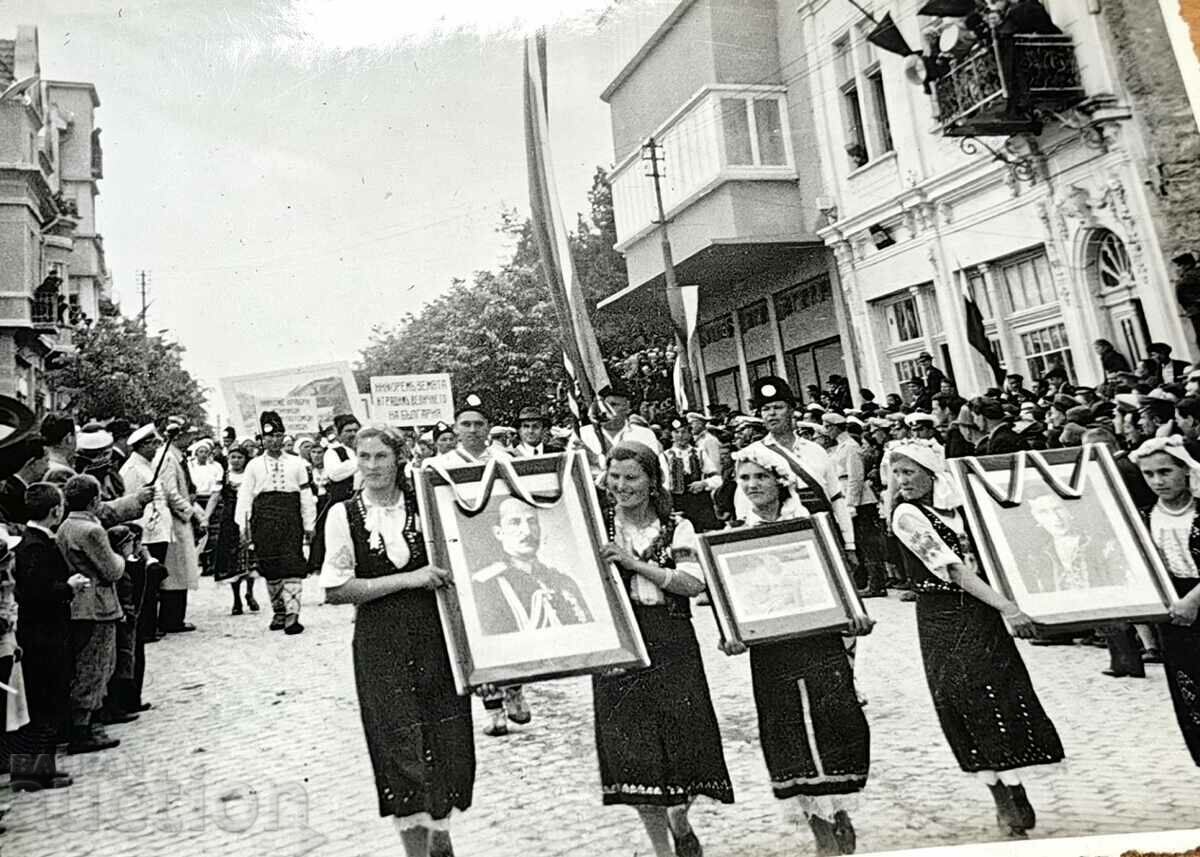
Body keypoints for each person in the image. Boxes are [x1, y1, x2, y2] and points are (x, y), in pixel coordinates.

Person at [887, 439, 1064, 838]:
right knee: (967, 700)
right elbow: (952, 571)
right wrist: (1009, 608)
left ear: (932, 475)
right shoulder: (906, 515)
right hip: (944, 618)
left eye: (909, 472)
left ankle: (1015, 782)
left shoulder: (956, 510)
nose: (902, 481)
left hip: (980, 613)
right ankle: (999, 791)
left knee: (1002, 692)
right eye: (896, 474)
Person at [322, 425, 471, 857]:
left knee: (447, 738)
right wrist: (410, 579)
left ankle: (440, 833)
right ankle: (416, 851)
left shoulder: (427, 506)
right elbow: (336, 589)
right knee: (397, 745)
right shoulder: (343, 515)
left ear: (399, 458)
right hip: (380, 642)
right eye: (364, 457)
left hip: (435, 636)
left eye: (380, 457)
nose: (372, 466)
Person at [726, 444, 872, 855]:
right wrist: (732, 631)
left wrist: (852, 617)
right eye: (745, 479)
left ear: (779, 481)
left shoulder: (811, 527)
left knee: (836, 718)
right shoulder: (736, 536)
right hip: (772, 648)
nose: (753, 485)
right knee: (785, 726)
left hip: (820, 639)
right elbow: (735, 598)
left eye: (761, 477)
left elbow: (837, 585)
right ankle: (817, 824)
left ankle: (841, 808)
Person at [595, 442, 733, 857]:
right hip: (617, 641)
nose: (622, 486)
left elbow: (693, 583)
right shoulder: (595, 525)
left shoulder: (678, 526)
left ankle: (680, 819)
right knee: (633, 751)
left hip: (671, 638)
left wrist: (634, 564)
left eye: (632, 477)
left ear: (653, 482)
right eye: (614, 477)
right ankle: (661, 849)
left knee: (684, 741)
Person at [428, 394, 528, 737]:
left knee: (510, 619)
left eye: (479, 424)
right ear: (456, 428)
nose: (472, 430)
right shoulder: (439, 466)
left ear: (489, 428)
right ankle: (493, 709)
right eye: (466, 424)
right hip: (464, 552)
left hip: (502, 547)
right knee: (477, 626)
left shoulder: (504, 459)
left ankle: (515, 687)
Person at [741, 377, 859, 574]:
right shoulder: (753, 454)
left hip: (823, 532)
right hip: (781, 538)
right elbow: (745, 507)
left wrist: (849, 544)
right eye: (766, 409)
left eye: (778, 407)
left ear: (791, 411)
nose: (771, 414)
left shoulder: (816, 450)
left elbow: (836, 499)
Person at [1130, 437, 1200, 765]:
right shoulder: (1142, 519)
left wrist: (1194, 599)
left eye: (1166, 471)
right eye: (1149, 474)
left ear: (1185, 470)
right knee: (1192, 699)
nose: (1158, 481)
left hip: (1193, 601)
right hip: (1176, 620)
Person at [11, 483, 86, 788]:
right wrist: (69, 587)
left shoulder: (30, 542)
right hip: (43, 636)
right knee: (44, 702)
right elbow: (36, 592)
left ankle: (38, 768)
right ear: (56, 510)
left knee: (40, 702)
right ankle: (35, 772)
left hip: (40, 633)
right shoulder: (35, 546)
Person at [58, 475, 128, 756]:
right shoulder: (91, 530)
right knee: (97, 664)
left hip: (76, 602)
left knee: (86, 663)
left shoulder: (65, 526)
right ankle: (84, 728)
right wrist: (122, 556)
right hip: (98, 603)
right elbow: (112, 569)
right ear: (95, 500)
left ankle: (87, 723)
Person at [236, 411, 316, 635]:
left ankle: (293, 615)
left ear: (284, 437)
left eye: (278, 435)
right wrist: (244, 525)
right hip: (263, 519)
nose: (273, 441)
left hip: (290, 517)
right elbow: (245, 497)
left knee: (292, 562)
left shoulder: (297, 463)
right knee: (270, 566)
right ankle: (279, 612)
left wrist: (309, 524)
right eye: (268, 437)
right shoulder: (253, 465)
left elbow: (305, 495)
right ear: (262, 439)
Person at [472, 497, 592, 634]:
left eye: (532, 521)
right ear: (499, 533)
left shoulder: (563, 581)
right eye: (515, 522)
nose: (527, 531)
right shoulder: (486, 586)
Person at [158, 420, 204, 634]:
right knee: (175, 570)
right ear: (176, 437)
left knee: (181, 568)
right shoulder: (167, 458)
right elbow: (170, 492)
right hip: (175, 522)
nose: (191, 439)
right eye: (187, 435)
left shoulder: (177, 457)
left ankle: (177, 616)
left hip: (180, 520)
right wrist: (190, 512)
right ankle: (172, 618)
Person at [206, 444, 260, 615]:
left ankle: (250, 593)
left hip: (248, 516)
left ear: (246, 459)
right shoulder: (225, 476)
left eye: (239, 457)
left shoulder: (251, 475)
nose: (236, 461)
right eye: (233, 457)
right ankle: (236, 598)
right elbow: (215, 497)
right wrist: (206, 516)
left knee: (250, 557)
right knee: (231, 558)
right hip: (229, 521)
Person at [579, 382, 662, 476]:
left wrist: (595, 459)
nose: (605, 410)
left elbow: (651, 470)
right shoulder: (583, 434)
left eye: (613, 405)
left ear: (627, 407)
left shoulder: (643, 435)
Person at [661, 417, 722, 533]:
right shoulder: (665, 457)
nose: (680, 436)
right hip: (679, 504)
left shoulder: (699, 453)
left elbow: (718, 479)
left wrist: (704, 483)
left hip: (701, 504)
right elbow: (664, 487)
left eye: (684, 432)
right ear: (671, 435)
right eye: (676, 432)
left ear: (690, 434)